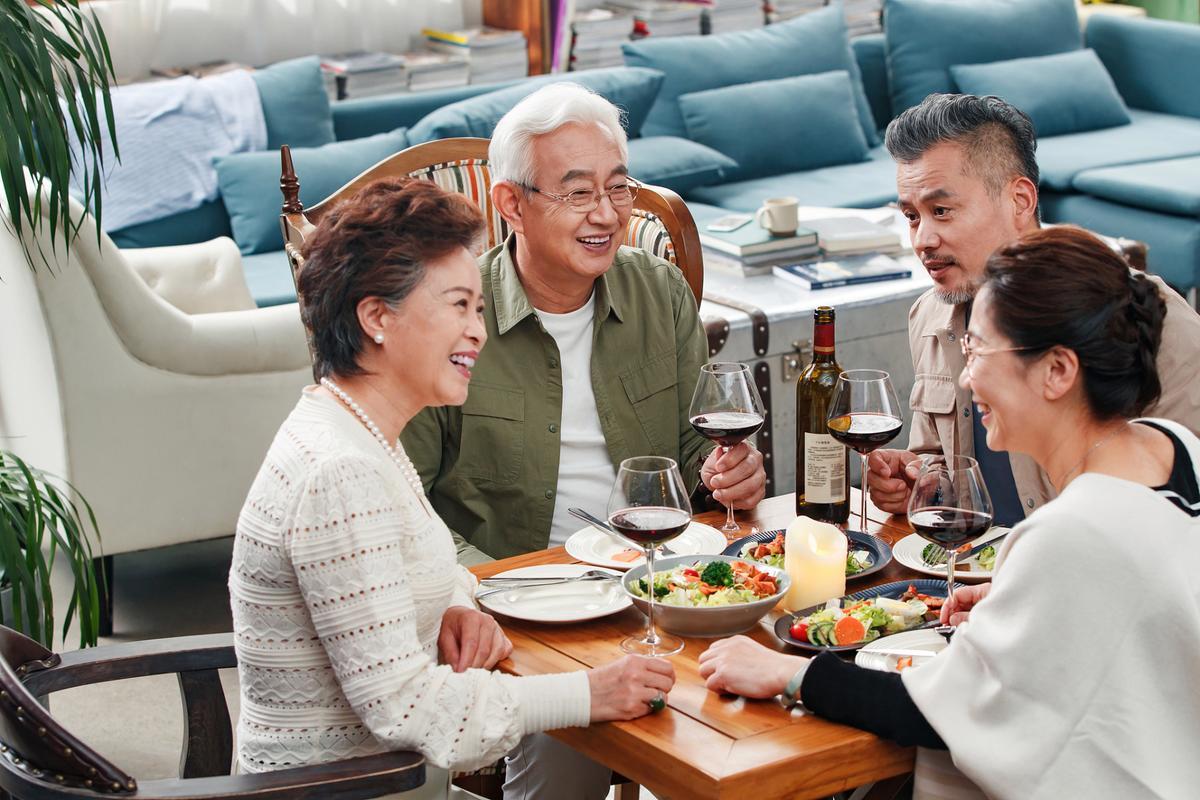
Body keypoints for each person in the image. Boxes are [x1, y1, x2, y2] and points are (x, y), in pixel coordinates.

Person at [699, 226, 1200, 798]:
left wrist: (788, 672)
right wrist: (1023, 599)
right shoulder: (1177, 450)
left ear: (1058, 371)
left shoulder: (1068, 533)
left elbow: (944, 712)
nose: (966, 377)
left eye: (979, 350)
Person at [229, 178, 675, 800]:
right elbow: (408, 709)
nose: (478, 332)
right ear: (377, 318)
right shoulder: (341, 472)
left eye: (480, 309)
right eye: (458, 306)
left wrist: (459, 602)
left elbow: (405, 568)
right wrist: (590, 693)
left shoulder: (359, 430)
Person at [401, 82, 766, 567]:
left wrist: (729, 475)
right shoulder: (443, 317)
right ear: (512, 205)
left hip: (655, 568)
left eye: (618, 188)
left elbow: (698, 450)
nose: (607, 215)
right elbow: (403, 507)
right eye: (578, 193)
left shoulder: (660, 291)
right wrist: (495, 585)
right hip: (513, 590)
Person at [867, 93, 1200, 526]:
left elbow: (1187, 490)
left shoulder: (1143, 315)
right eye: (912, 216)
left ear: (1020, 200)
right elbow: (941, 460)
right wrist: (919, 481)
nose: (921, 240)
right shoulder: (931, 315)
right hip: (980, 560)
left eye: (942, 211)